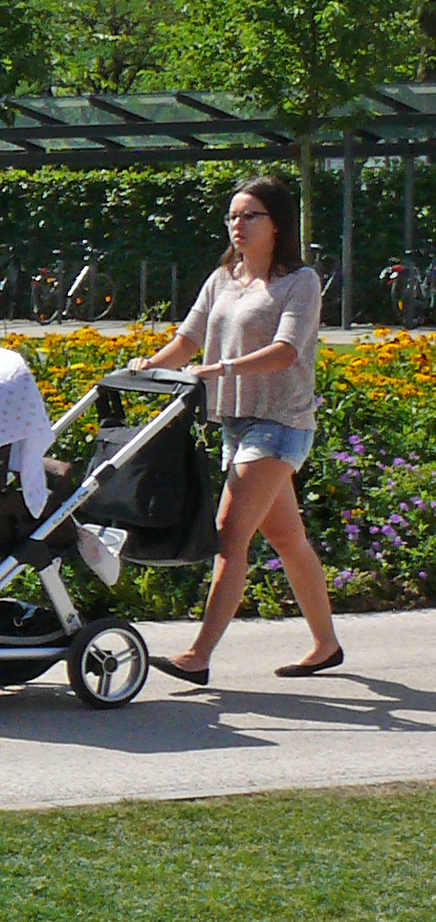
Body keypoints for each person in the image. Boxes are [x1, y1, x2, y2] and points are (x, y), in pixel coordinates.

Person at [133, 174, 343, 682]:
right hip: (235, 422)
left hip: (279, 422)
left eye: (250, 216)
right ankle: (327, 645)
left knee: (229, 537)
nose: (237, 225)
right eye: (232, 216)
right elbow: (188, 340)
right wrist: (147, 367)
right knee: (288, 539)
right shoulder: (222, 279)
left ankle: (198, 656)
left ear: (277, 224)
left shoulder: (299, 282)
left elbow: (286, 352)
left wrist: (220, 369)